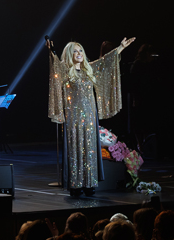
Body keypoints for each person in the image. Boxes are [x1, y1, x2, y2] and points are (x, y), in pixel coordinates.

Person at [46, 36, 135, 196]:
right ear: (69, 54)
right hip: (73, 118)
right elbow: (56, 67)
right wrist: (52, 52)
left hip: (89, 118)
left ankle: (90, 183)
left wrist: (120, 48)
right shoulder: (66, 71)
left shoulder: (89, 70)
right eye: (75, 51)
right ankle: (76, 184)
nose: (79, 53)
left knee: (90, 149)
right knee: (76, 149)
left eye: (81, 50)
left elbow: (105, 62)